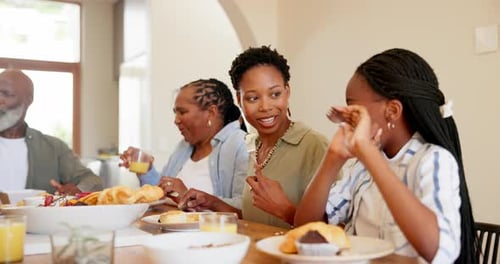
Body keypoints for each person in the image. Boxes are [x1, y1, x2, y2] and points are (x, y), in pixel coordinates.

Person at [295, 48, 476, 263]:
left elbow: (438, 251)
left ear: (392, 111)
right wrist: (333, 158)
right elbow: (304, 226)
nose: (347, 117)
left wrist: (369, 154)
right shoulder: (361, 169)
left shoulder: (433, 160)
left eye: (354, 108)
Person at [178, 46, 329, 228]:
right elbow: (257, 218)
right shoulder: (253, 145)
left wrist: (285, 210)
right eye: (252, 98)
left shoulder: (313, 145)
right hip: (254, 253)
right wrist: (212, 203)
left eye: (275, 94)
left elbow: (335, 228)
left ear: (287, 93)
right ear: (239, 100)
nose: (265, 106)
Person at [119, 78, 248, 211]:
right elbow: (161, 193)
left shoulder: (240, 144)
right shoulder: (184, 147)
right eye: (175, 113)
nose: (176, 120)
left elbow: (245, 208)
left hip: (211, 231)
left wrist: (187, 196)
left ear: (211, 112)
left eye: (182, 112)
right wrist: (146, 169)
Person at [0, 69, 103, 195]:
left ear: (28, 100)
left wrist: (78, 190)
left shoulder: (54, 148)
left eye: (7, 94)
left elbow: (93, 180)